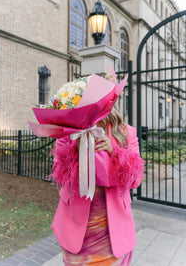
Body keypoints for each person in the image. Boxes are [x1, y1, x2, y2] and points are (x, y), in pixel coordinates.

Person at [50, 105, 144, 266]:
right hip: (75, 228)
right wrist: (75, 148)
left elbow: (135, 180)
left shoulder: (126, 132)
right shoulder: (69, 131)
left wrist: (114, 151)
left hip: (113, 231)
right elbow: (61, 176)